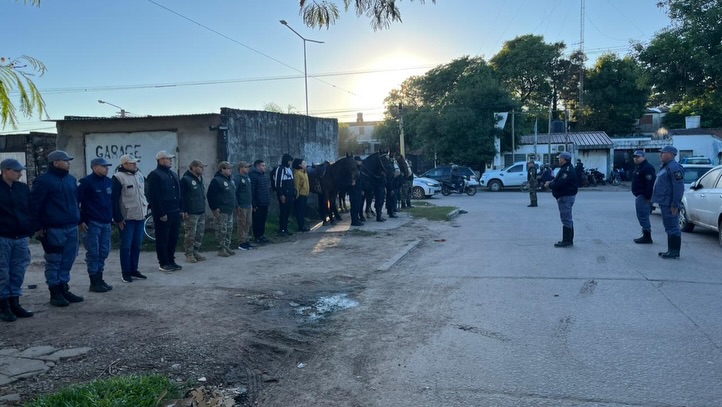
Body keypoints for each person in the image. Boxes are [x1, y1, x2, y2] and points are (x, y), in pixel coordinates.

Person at [29, 150, 84, 307]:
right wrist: (38, 227)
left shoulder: (71, 180)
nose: (69, 163)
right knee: (54, 260)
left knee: (69, 259)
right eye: (66, 161)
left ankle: (63, 288)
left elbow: (75, 202)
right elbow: (35, 205)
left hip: (71, 226)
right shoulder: (43, 181)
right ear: (56, 163)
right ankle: (54, 292)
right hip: (54, 228)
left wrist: (79, 219)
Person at [0, 159, 35, 321]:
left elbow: (29, 209)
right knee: (2, 272)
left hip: (20, 236)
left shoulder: (22, 188)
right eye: (16, 171)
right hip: (3, 236)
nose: (20, 174)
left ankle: (15, 303)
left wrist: (30, 228)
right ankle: (3, 306)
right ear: (5, 171)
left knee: (18, 271)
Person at [78, 157, 114, 293]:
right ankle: (94, 281)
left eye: (107, 166)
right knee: (93, 252)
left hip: (106, 222)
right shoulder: (86, 182)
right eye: (103, 166)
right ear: (94, 167)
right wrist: (80, 221)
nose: (107, 168)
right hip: (92, 223)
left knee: (104, 251)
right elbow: (76, 202)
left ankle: (100, 278)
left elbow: (112, 201)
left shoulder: (109, 181)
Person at [112, 154, 148, 283]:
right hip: (127, 217)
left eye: (135, 162)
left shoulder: (139, 175)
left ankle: (134, 269)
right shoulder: (118, 177)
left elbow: (144, 193)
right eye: (132, 163)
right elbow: (114, 199)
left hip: (140, 216)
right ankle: (125, 272)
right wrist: (118, 217)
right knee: (126, 246)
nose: (135, 164)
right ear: (124, 164)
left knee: (137, 245)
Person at [146, 150, 183, 272]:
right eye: (168, 159)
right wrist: (161, 213)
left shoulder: (172, 174)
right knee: (163, 238)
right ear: (161, 160)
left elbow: (179, 192)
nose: (171, 161)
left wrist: (181, 209)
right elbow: (154, 196)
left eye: (170, 159)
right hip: (164, 213)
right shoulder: (155, 175)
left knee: (173, 237)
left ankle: (171, 260)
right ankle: (163, 262)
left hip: (175, 211)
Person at [652, 146, 685, 259]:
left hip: (670, 203)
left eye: (663, 153)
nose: (660, 155)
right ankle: (670, 250)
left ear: (670, 154)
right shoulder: (666, 167)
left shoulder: (675, 168)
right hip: (664, 202)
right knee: (668, 227)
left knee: (673, 227)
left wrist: (675, 204)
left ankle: (674, 251)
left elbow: (678, 188)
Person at [545, 151, 578, 248]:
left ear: (564, 159)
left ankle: (566, 241)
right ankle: (568, 240)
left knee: (566, 219)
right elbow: (558, 180)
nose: (559, 160)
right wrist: (551, 182)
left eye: (560, 158)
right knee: (567, 218)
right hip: (565, 196)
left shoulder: (567, 170)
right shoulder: (565, 168)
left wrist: (549, 185)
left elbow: (560, 184)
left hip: (566, 197)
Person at [180, 160, 208, 263]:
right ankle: (189, 254)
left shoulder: (200, 178)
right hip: (191, 212)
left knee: (199, 233)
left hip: (200, 210)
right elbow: (181, 196)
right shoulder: (185, 180)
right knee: (190, 234)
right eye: (201, 167)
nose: (202, 169)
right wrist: (184, 210)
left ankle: (196, 252)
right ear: (194, 167)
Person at [207, 161, 237, 257]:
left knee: (228, 229)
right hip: (222, 210)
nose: (230, 170)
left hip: (229, 209)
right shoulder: (216, 181)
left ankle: (227, 247)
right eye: (228, 168)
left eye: (231, 168)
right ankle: (221, 248)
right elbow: (210, 195)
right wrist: (214, 208)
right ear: (222, 169)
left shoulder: (229, 180)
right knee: (221, 230)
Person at [630, 150, 656, 244]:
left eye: (638, 157)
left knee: (643, 216)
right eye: (634, 157)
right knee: (641, 215)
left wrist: (648, 196)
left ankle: (647, 236)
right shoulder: (640, 167)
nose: (635, 159)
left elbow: (650, 183)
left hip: (644, 196)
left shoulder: (647, 167)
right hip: (639, 195)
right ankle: (645, 234)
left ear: (644, 157)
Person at [234, 161, 255, 250]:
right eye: (245, 167)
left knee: (248, 223)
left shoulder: (247, 177)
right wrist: (237, 205)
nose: (247, 169)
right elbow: (234, 192)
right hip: (242, 205)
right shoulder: (237, 178)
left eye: (248, 167)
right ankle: (241, 242)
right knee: (241, 223)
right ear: (240, 168)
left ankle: (246, 240)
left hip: (248, 204)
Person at [249, 159, 271, 244]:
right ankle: (257, 236)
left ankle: (261, 235)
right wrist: (254, 204)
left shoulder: (264, 175)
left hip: (265, 201)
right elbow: (252, 191)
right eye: (263, 165)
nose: (264, 167)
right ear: (257, 166)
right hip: (258, 203)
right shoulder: (253, 176)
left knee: (263, 220)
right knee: (257, 221)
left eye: (264, 165)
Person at [274, 154, 296, 236]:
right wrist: (281, 194)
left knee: (287, 212)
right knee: (283, 211)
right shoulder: (281, 169)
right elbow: (278, 183)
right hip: (284, 194)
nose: (290, 163)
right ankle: (282, 229)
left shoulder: (289, 169)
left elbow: (292, 182)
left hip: (290, 194)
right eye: (289, 161)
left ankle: (286, 228)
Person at [292, 158, 311, 232]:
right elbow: (296, 185)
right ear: (299, 165)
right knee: (299, 211)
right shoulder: (297, 173)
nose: (305, 165)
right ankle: (301, 226)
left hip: (305, 194)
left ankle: (303, 225)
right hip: (300, 195)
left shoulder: (304, 173)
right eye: (304, 163)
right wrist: (296, 195)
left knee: (303, 211)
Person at [349, 156, 365, 226]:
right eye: (359, 161)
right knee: (354, 206)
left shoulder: (359, 169)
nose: (360, 162)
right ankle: (354, 220)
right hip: (354, 190)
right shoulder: (353, 170)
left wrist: (362, 189)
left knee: (358, 205)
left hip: (359, 189)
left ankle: (357, 219)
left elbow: (361, 180)